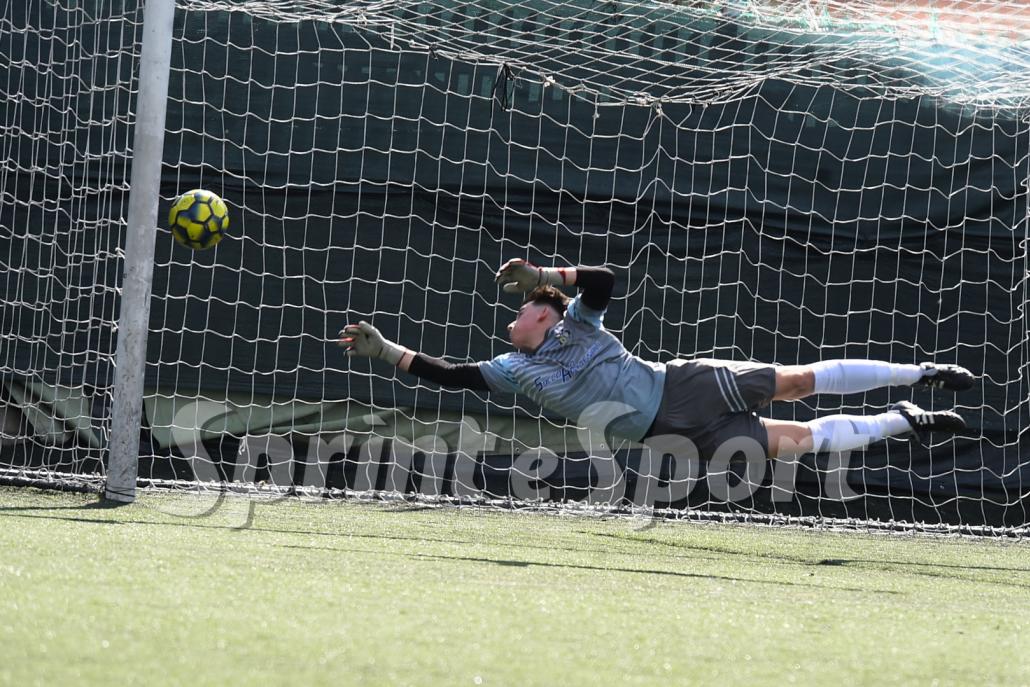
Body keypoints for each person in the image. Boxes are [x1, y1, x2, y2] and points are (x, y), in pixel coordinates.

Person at [338, 259, 970, 460]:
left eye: (524, 306)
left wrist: (547, 274)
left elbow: (604, 281)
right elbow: (451, 376)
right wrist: (384, 349)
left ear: (546, 315)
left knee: (799, 383)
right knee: (799, 443)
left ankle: (922, 372)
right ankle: (903, 419)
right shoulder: (512, 369)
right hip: (667, 432)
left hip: (684, 386)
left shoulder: (578, 322)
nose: (512, 316)